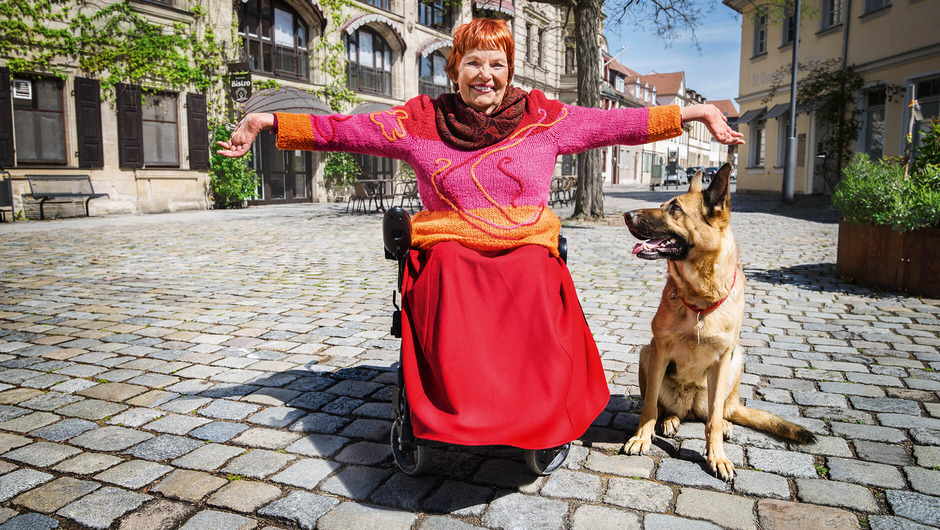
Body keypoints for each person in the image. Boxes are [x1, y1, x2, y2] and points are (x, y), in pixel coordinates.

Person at [218, 18, 744, 451]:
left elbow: (617, 125)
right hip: (450, 247)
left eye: (497, 64)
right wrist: (267, 122)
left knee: (538, 271)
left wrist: (696, 112)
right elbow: (343, 130)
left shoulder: (544, 116)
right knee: (447, 265)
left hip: (525, 248)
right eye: (473, 62)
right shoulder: (420, 119)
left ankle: (536, 409)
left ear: (510, 72)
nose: (485, 75)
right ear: (455, 69)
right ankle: (459, 408)